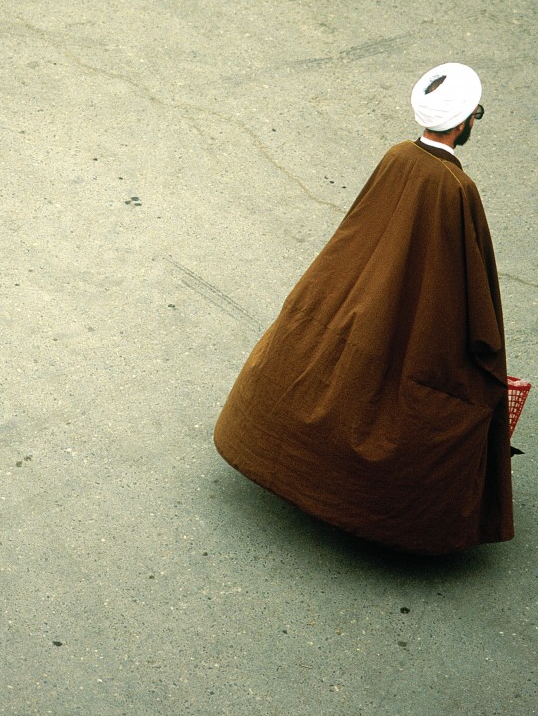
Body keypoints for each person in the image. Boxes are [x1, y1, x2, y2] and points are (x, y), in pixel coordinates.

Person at [213, 63, 513, 555]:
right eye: (476, 114)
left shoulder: (396, 156)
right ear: (463, 124)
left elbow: (363, 228)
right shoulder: (457, 189)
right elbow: (468, 283)